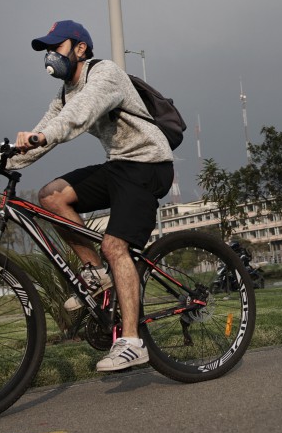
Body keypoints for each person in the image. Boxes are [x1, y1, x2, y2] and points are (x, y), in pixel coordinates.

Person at [10, 19, 174, 372]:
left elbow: (78, 116)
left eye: (56, 47)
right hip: (119, 165)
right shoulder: (65, 91)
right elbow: (42, 132)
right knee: (51, 196)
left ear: (80, 48)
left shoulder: (105, 73)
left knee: (115, 245)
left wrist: (42, 136)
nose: (51, 55)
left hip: (149, 164)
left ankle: (131, 342)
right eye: (47, 49)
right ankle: (97, 273)